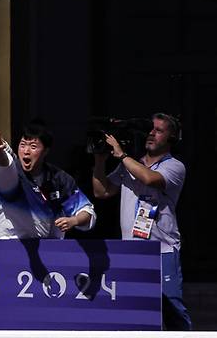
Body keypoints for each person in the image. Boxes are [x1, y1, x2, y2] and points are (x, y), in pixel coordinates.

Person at [92, 113, 191, 330]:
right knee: (134, 308)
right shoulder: (131, 163)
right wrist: (99, 162)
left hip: (162, 249)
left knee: (171, 306)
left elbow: (149, 179)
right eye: (150, 129)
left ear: (171, 137)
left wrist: (121, 154)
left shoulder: (175, 166)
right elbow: (102, 191)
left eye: (159, 130)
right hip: (132, 249)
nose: (151, 133)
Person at [0, 122, 96, 239]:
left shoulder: (59, 178)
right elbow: (4, 167)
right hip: (10, 247)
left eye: (33, 147)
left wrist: (74, 220)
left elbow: (86, 211)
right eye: (22, 145)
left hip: (48, 249)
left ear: (46, 151)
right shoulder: (13, 173)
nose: (26, 151)